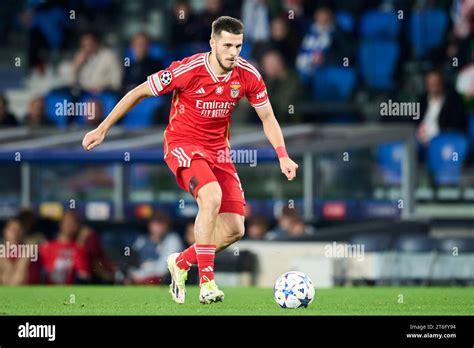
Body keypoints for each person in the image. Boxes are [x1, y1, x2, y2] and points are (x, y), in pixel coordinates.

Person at [82, 16, 299, 304]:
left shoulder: (248, 75)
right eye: (227, 45)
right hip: (182, 145)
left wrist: (282, 155)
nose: (233, 52)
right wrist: (103, 128)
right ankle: (207, 283)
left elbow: (268, 118)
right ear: (212, 43)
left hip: (219, 151)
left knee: (235, 229)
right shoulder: (189, 70)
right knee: (211, 197)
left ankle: (182, 262)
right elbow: (138, 92)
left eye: (238, 46)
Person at [130, 211, 183, 284]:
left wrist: (144, 276)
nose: (157, 227)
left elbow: (164, 268)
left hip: (165, 281)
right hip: (142, 278)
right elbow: (132, 261)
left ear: (167, 225)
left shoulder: (173, 240)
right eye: (155, 223)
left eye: (161, 224)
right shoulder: (142, 240)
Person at [417, 69, 467, 145]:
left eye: (436, 83)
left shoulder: (453, 101)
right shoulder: (422, 100)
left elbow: (457, 124)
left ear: (442, 83)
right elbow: (414, 121)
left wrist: (436, 135)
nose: (434, 87)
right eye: (430, 84)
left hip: (442, 139)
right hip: (420, 138)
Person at [39, 211, 90, 284]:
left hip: (69, 291)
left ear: (77, 226)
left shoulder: (78, 249)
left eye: (73, 223)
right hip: (48, 289)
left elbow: (84, 275)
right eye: (67, 222)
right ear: (61, 224)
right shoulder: (47, 247)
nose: (70, 226)